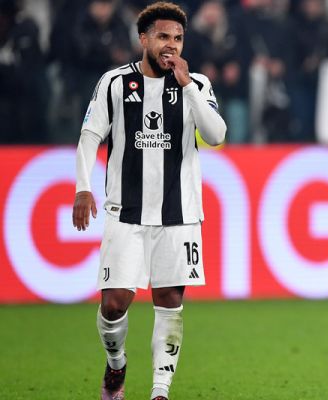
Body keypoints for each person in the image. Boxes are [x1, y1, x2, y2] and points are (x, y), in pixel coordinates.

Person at [72, 2, 226, 399]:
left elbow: (217, 135)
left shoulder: (198, 85)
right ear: (144, 39)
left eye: (177, 38)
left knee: (170, 300)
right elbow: (90, 136)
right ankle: (116, 364)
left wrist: (188, 85)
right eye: (162, 37)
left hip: (180, 214)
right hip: (126, 214)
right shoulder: (115, 83)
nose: (170, 45)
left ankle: (160, 391)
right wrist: (82, 186)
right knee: (114, 305)